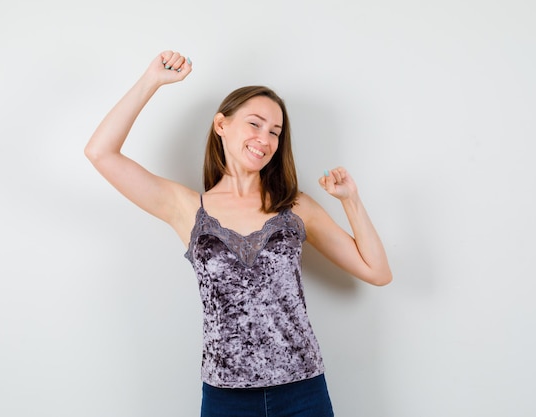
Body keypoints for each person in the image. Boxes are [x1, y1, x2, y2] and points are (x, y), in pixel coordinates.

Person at [85, 50, 392, 417]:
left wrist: (351, 200)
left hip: (303, 392)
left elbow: (377, 271)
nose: (265, 138)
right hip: (226, 398)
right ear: (221, 125)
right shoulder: (187, 208)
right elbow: (100, 152)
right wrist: (151, 81)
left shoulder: (295, 206)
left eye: (275, 132)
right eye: (255, 124)